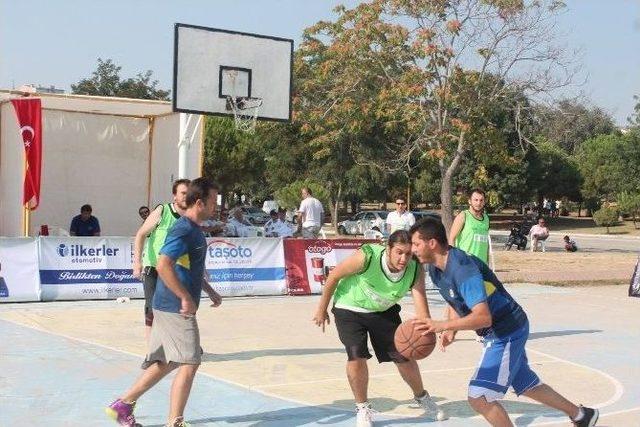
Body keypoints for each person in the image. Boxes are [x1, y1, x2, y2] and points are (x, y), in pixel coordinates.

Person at [409, 218, 599, 427]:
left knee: (480, 397)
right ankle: (582, 416)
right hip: (501, 329)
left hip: (506, 330)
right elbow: (456, 300)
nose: (413, 249)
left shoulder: (462, 269)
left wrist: (443, 325)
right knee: (526, 384)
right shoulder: (437, 269)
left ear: (432, 243)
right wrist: (451, 328)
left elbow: (483, 317)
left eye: (416, 244)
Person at [105, 177, 223, 427]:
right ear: (200, 202)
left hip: (168, 304)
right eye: (214, 201)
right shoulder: (184, 229)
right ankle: (176, 422)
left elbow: (186, 267)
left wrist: (209, 290)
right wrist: (184, 297)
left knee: (167, 362)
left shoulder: (194, 229)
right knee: (190, 362)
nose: (217, 206)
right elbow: (163, 264)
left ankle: (123, 405)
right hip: (174, 307)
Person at [312, 230, 447, 426]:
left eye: (408, 254)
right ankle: (362, 407)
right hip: (349, 307)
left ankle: (422, 397)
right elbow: (333, 276)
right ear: (388, 248)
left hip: (383, 311)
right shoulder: (367, 257)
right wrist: (321, 309)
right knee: (356, 355)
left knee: (404, 356)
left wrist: (431, 329)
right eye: (399, 252)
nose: (403, 258)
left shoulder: (415, 269)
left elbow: (421, 307)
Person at [132, 179, 190, 342]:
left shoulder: (190, 218)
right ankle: (152, 352)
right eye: (183, 193)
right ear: (175, 196)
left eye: (189, 193)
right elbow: (140, 235)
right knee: (152, 309)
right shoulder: (163, 211)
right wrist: (137, 262)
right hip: (153, 267)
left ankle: (184, 343)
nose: (186, 196)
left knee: (178, 309)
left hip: (175, 270)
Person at [449, 188, 490, 265]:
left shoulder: (486, 218)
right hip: (465, 265)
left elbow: (486, 242)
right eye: (476, 200)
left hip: (481, 265)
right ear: (469, 201)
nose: (478, 203)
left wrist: (487, 263)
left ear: (484, 202)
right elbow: (451, 239)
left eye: (481, 200)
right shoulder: (463, 216)